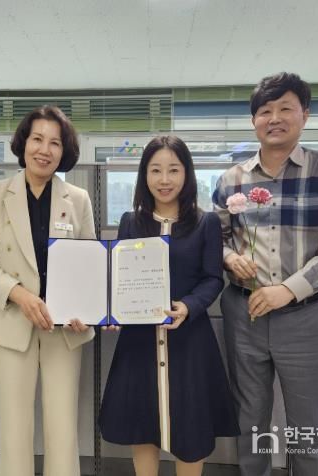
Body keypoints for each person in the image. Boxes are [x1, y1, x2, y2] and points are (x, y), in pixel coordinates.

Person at [212, 72, 318, 476]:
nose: (274, 118)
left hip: (306, 316)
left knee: (307, 426)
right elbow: (215, 240)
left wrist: (288, 290)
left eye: (285, 109)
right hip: (244, 313)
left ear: (304, 115)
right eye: (265, 111)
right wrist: (229, 258)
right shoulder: (231, 180)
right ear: (254, 120)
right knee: (250, 420)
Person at [99, 136, 239, 476]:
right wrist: (113, 312)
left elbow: (212, 279)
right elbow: (120, 277)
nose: (164, 179)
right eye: (155, 170)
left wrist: (188, 306)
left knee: (191, 427)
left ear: (187, 173)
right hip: (139, 342)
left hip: (190, 341)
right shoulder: (131, 222)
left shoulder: (205, 223)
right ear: (144, 175)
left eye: (174, 170)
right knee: (142, 423)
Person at [0, 105, 95, 476]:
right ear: (23, 143)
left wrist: (86, 311)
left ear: (64, 151)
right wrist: (20, 294)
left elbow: (89, 264)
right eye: (37, 139)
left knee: (63, 428)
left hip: (64, 328)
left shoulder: (78, 198)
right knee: (13, 428)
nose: (44, 149)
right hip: (12, 322)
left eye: (55, 142)